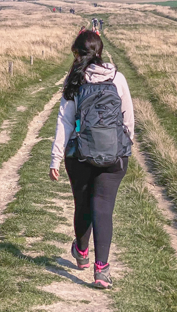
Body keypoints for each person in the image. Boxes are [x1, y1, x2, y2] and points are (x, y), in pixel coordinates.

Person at [49, 29, 134, 289]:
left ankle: (82, 253)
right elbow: (128, 117)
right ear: (100, 52)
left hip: (80, 155)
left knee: (82, 204)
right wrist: (125, 146)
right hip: (114, 156)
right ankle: (102, 271)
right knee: (103, 209)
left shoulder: (74, 80)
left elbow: (64, 121)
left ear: (78, 54)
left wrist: (55, 157)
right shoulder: (117, 78)